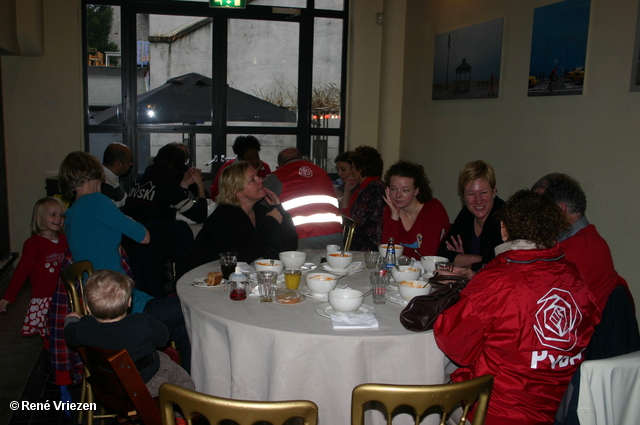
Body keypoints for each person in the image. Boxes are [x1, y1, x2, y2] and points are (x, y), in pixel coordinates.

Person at [434, 190, 601, 425]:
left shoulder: (495, 281)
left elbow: (455, 345)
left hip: (493, 411)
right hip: (558, 410)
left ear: (504, 230)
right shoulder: (576, 278)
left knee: (430, 382)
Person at [51, 151, 190, 386]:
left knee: (180, 326)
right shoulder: (98, 202)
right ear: (96, 174)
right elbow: (144, 237)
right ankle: (184, 388)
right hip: (121, 308)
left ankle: (171, 382)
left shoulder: (72, 212)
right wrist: (131, 222)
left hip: (97, 304)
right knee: (189, 305)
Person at [64, 270, 194, 398]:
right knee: (183, 380)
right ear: (129, 302)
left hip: (111, 388)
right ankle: (181, 414)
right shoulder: (141, 322)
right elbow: (163, 339)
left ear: (88, 309)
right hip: (150, 384)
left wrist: (71, 318)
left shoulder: (84, 328)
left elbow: (70, 335)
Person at [176, 161, 298, 278]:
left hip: (229, 276)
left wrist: (279, 208)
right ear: (239, 193)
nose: (260, 180)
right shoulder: (226, 216)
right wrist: (270, 224)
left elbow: (290, 246)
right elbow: (242, 258)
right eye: (252, 180)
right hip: (200, 277)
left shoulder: (259, 211)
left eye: (257, 176)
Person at [532, 173, 630, 312]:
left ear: (560, 209)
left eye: (539, 210)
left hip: (578, 330)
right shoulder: (583, 239)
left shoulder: (580, 251)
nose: (535, 217)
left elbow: (540, 302)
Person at [0, 197, 68, 347]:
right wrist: (8, 296)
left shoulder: (65, 240)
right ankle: (50, 358)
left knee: (64, 332)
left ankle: (59, 358)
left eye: (61, 215)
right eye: (53, 214)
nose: (58, 219)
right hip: (44, 298)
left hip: (64, 295)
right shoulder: (33, 245)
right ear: (40, 218)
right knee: (49, 333)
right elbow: (21, 273)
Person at [262, 148, 343, 250]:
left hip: (299, 240)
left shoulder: (276, 176)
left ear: (279, 166)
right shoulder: (322, 172)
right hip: (335, 238)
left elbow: (260, 207)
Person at [436, 160, 505, 276]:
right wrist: (476, 259)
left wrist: (462, 260)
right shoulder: (467, 214)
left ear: (494, 191)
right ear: (463, 196)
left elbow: (494, 265)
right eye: (471, 194)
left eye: (483, 192)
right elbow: (442, 254)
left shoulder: (503, 217)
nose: (478, 200)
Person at [123, 142, 207, 224]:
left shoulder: (139, 180)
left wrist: (185, 183)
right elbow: (200, 216)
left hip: (132, 232)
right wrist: (199, 184)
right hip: (152, 235)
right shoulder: (167, 185)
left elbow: (173, 203)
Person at [381, 161, 450, 259]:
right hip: (403, 270)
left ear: (416, 191)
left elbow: (427, 256)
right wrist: (394, 217)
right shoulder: (390, 209)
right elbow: (387, 254)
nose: (398, 195)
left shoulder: (433, 209)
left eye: (405, 190)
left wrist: (402, 255)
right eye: (393, 189)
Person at [346, 145, 386, 251]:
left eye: (353, 168)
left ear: (361, 169)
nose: (352, 172)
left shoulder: (369, 190)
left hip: (367, 249)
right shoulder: (379, 185)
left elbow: (356, 224)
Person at [209, 135, 272, 200]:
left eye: (256, 156)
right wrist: (255, 172)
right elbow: (218, 192)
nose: (255, 160)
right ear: (241, 159)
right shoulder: (229, 167)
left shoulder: (264, 167)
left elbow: (270, 189)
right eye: (250, 158)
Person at [101, 143, 133, 208]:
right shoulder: (106, 186)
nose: (131, 164)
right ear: (118, 164)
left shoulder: (109, 178)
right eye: (128, 161)